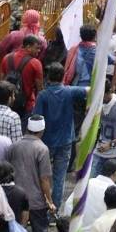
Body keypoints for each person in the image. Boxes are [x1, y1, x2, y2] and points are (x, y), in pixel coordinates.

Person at [32, 63, 88, 207]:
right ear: (63, 76)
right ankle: (54, 208)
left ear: (48, 77)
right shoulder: (70, 91)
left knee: (41, 176)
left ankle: (40, 205)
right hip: (65, 142)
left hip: (46, 143)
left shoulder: (42, 96)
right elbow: (89, 90)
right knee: (59, 177)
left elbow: (36, 118)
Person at [5, 115, 54, 232]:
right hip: (36, 201)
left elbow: (7, 171)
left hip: (15, 199)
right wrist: (49, 201)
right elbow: (44, 179)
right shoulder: (42, 149)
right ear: (42, 130)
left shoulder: (13, 146)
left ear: (27, 128)